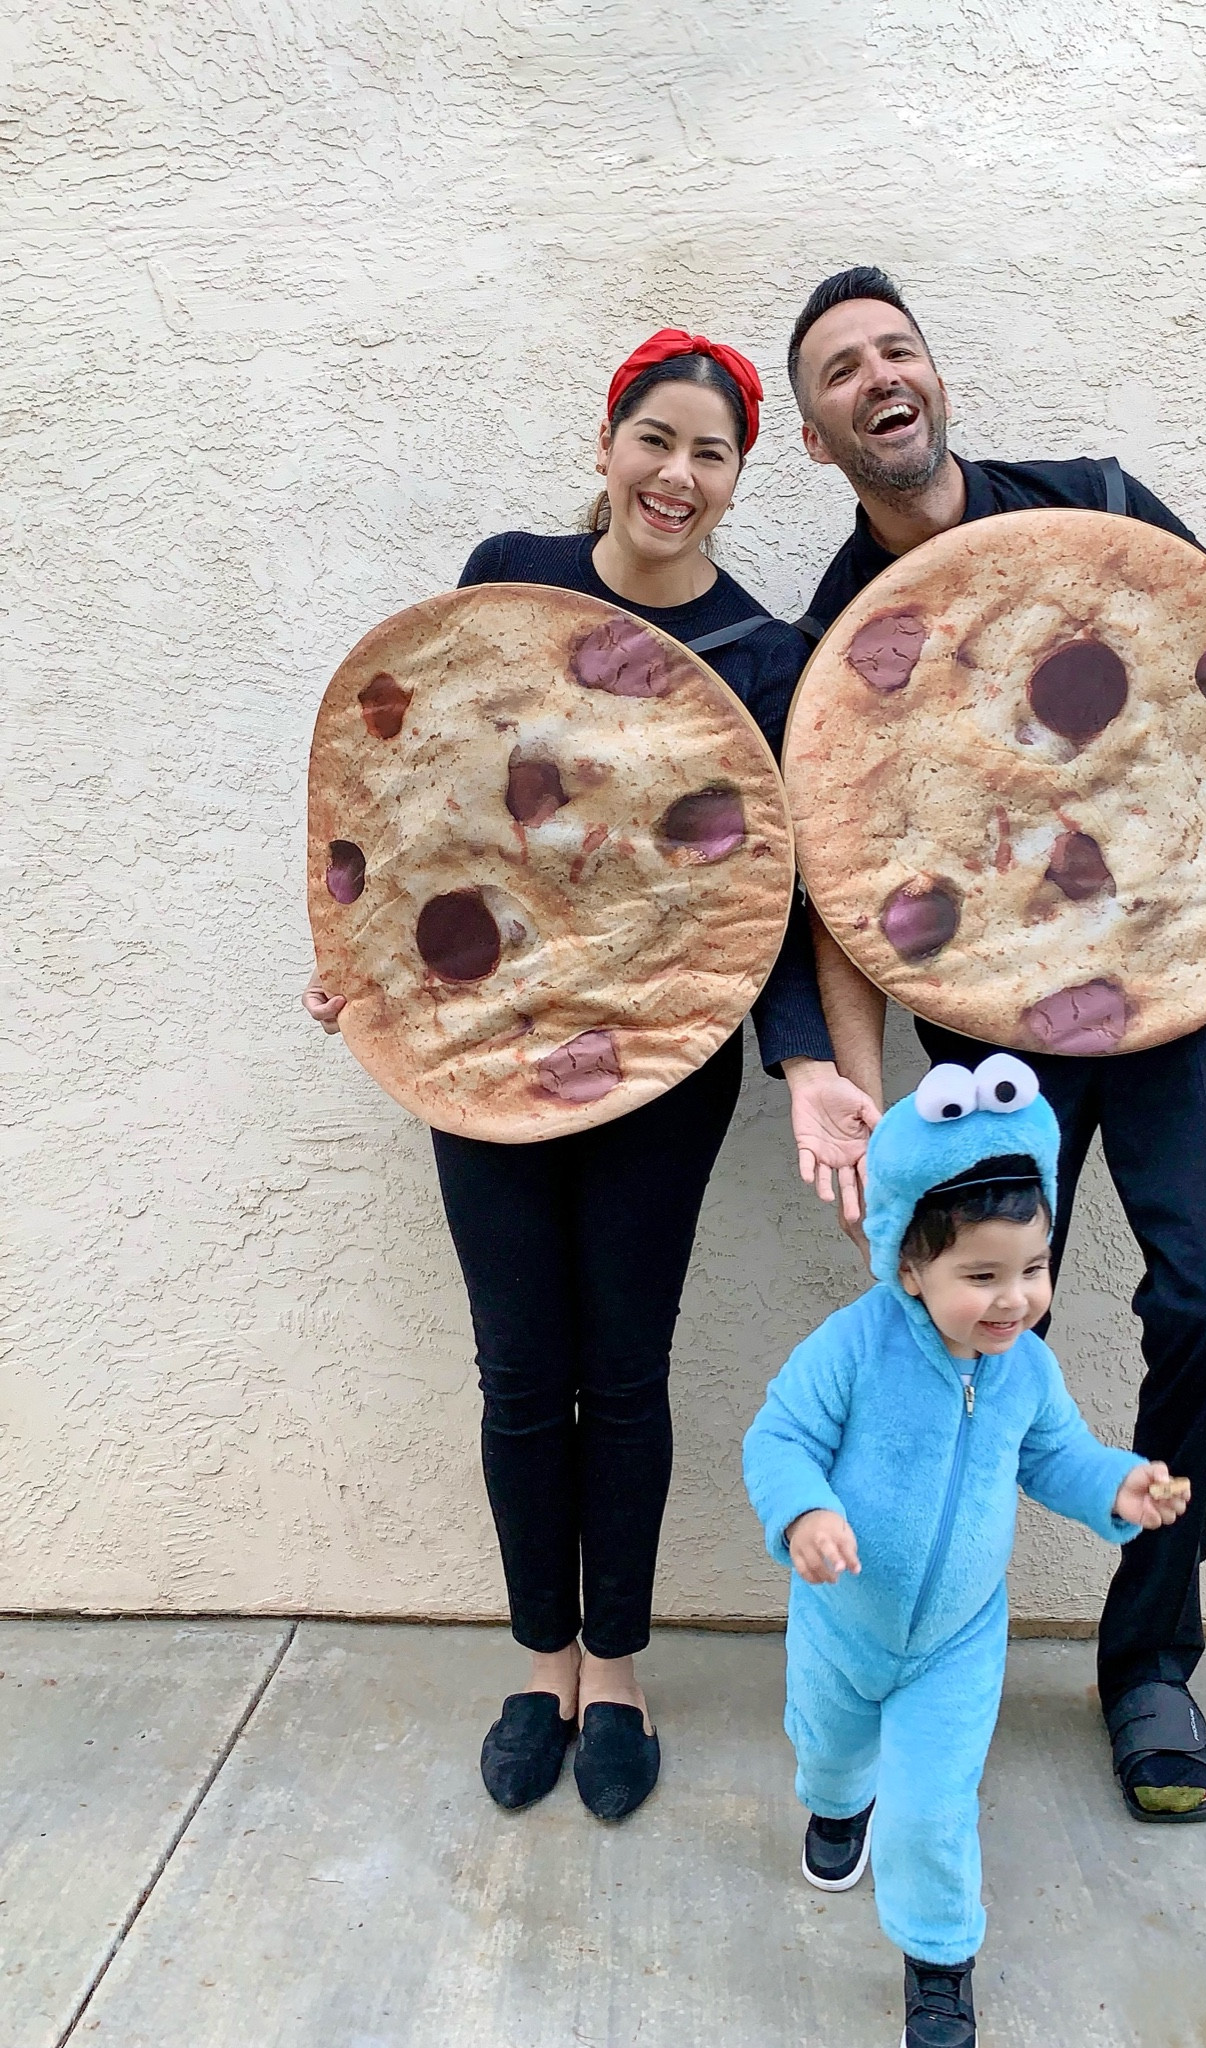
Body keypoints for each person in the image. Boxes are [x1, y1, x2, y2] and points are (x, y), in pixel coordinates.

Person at [785, 266, 1206, 1822]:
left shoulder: (1090, 506)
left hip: (1194, 978)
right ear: (813, 435)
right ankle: (937, 1636)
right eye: (840, 371)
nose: (877, 377)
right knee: (954, 1340)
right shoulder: (834, 638)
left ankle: (1147, 1662)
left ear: (936, 377)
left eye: (894, 349)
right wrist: (846, 1078)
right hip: (990, 1033)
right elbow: (833, 894)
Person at [304, 328, 878, 1823]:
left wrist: (808, 1064)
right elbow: (424, 790)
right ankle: (539, 1660)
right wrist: (366, 955)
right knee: (516, 1373)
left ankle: (615, 1667)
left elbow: (779, 895)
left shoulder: (761, 660)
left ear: (740, 478)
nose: (676, 477)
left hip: (657, 1068)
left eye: (711, 454)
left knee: (620, 1373)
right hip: (479, 1053)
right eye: (656, 441)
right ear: (607, 445)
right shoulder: (508, 580)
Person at [743, 1056, 1192, 2048]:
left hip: (954, 1639)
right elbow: (777, 1437)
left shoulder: (1024, 1366)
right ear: (908, 1260)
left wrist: (1115, 1484)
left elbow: (1057, 1455)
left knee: (933, 1809)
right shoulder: (854, 1348)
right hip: (841, 1622)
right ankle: (833, 1805)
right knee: (827, 1752)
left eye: (1030, 1269)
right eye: (980, 1276)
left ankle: (937, 1958)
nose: (1014, 1300)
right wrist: (804, 1512)